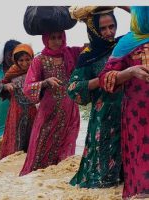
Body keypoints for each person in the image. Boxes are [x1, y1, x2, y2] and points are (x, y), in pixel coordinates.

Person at [68, 10, 123, 188]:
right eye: (103, 28)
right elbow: (73, 88)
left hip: (130, 114)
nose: (109, 32)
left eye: (112, 26)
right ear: (93, 30)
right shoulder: (87, 56)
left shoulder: (125, 45)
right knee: (103, 179)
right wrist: (100, 80)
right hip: (104, 119)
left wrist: (123, 6)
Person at [99, 6, 149, 199]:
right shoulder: (127, 44)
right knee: (142, 164)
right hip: (138, 117)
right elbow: (104, 79)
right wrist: (128, 73)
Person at [19, 32, 82, 176]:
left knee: (66, 156)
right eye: (52, 37)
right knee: (40, 153)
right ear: (46, 39)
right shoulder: (39, 60)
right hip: (48, 115)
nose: (57, 41)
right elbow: (28, 87)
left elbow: (92, 48)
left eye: (60, 37)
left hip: (70, 113)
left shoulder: (72, 54)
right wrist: (45, 83)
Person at [0, 44, 37, 160]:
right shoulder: (12, 71)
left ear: (32, 58)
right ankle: (12, 160)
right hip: (16, 109)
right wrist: (6, 85)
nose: (24, 63)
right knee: (15, 136)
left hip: (33, 108)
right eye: (21, 60)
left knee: (33, 135)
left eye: (27, 59)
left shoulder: (37, 70)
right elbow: (0, 85)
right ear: (15, 60)